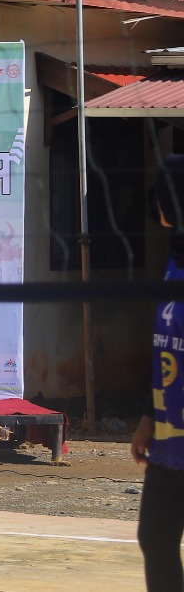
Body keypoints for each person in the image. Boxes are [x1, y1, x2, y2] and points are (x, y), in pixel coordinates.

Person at [132, 154, 184, 592]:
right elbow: (164, 349)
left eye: (162, 194)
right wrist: (149, 416)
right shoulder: (174, 261)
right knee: (154, 537)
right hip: (170, 435)